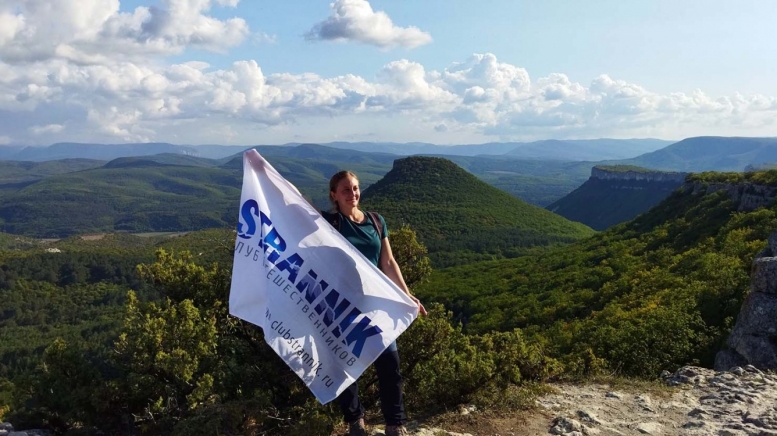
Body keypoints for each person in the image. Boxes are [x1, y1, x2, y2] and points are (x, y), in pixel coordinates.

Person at [322, 170, 426, 436]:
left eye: (355, 188)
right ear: (334, 195)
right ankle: (355, 421)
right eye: (345, 190)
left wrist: (406, 295)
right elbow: (296, 207)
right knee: (346, 364)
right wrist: (264, 171)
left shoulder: (376, 221)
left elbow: (388, 262)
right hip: (342, 306)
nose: (352, 194)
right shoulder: (329, 223)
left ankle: (395, 423)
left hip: (376, 305)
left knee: (390, 365)